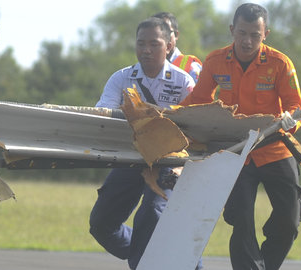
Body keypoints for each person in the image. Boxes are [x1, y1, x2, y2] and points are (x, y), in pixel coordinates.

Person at [179, 3, 301, 270]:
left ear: (265, 34)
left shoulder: (280, 63)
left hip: (274, 147)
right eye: (242, 33)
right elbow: (198, 102)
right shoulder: (215, 61)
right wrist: (171, 117)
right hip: (236, 151)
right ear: (232, 31)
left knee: (289, 221)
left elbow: (296, 106)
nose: (248, 41)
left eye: (255, 35)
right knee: (241, 220)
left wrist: (288, 119)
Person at [89, 17, 199, 270]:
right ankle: (158, 255)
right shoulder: (121, 78)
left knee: (151, 214)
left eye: (154, 44)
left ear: (169, 46)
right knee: (101, 224)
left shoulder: (184, 82)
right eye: (141, 44)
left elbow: (195, 124)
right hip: (130, 156)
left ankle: (151, 262)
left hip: (167, 161)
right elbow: (102, 113)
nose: (146, 50)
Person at [152, 12, 202, 82]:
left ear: (176, 35)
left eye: (166, 32)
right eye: (155, 33)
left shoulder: (191, 66)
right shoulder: (145, 66)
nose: (161, 37)